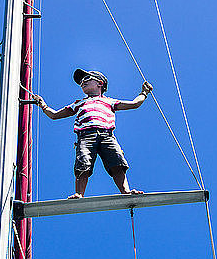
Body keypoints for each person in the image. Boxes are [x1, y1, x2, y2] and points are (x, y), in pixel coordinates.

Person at [32, 69, 153, 199]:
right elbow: (54, 115)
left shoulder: (110, 101)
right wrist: (42, 105)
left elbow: (135, 104)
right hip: (85, 135)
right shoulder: (78, 103)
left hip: (107, 135)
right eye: (81, 81)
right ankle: (79, 193)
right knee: (83, 161)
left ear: (100, 83)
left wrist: (144, 92)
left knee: (117, 161)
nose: (82, 82)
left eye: (87, 79)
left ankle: (126, 191)